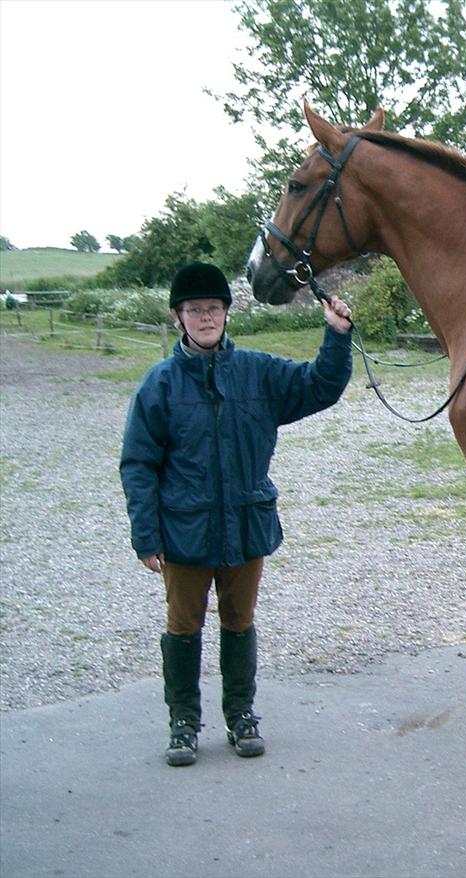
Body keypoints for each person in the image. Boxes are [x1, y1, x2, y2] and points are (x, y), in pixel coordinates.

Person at [120, 262, 353, 766]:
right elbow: (138, 464)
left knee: (239, 622)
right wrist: (147, 536)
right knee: (183, 627)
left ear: (227, 313)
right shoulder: (158, 385)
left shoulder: (258, 373)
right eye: (194, 310)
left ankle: (241, 716)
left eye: (213, 308)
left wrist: (336, 337)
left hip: (246, 525)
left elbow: (319, 387)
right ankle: (183, 722)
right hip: (184, 531)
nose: (205, 317)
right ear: (179, 318)